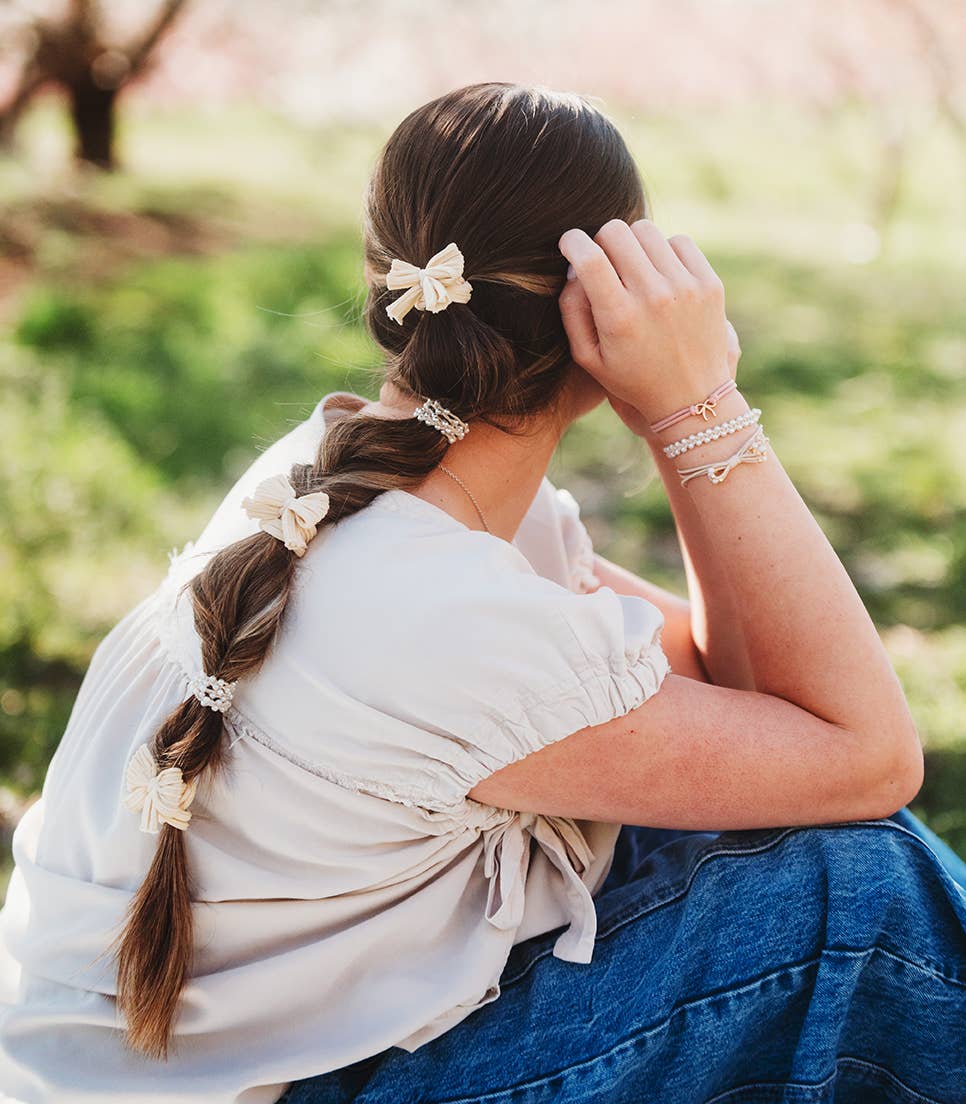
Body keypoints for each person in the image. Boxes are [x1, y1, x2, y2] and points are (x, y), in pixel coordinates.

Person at [0, 81, 964, 1104]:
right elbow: (866, 757)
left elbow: (749, 693)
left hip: (176, 1065)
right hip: (280, 1089)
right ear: (600, 306)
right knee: (863, 890)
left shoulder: (341, 486)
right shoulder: (448, 614)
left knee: (770, 825)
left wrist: (689, 420)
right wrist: (697, 405)